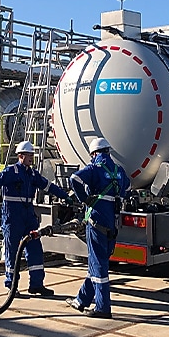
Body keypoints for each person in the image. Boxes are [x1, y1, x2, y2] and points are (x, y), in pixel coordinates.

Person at [0, 140, 72, 296]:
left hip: (28, 217)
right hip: (12, 217)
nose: (32, 157)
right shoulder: (10, 172)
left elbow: (49, 186)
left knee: (35, 250)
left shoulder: (32, 175)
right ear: (20, 156)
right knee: (13, 252)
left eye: (32, 155)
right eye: (29, 155)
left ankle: (36, 285)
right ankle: (11, 286)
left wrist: (65, 196)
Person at [65, 137, 130, 319]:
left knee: (99, 265)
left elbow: (74, 178)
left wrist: (84, 199)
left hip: (96, 223)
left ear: (94, 154)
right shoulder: (119, 171)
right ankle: (81, 300)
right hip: (112, 225)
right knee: (98, 261)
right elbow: (128, 187)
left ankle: (103, 307)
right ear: (108, 151)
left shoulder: (95, 169)